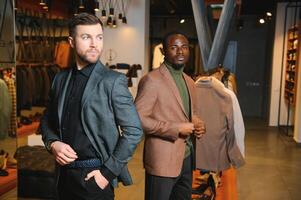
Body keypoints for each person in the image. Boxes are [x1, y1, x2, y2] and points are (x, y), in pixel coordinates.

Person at [40, 13, 143, 200]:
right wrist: (52, 143)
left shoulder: (113, 82)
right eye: (86, 37)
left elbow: (134, 131)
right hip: (62, 177)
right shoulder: (60, 79)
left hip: (94, 178)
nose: (95, 43)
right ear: (71, 41)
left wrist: (107, 174)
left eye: (99, 37)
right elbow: (47, 119)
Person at [135, 32, 206, 200]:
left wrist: (197, 123)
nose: (180, 52)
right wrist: (175, 128)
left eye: (184, 47)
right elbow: (137, 118)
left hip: (187, 157)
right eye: (174, 47)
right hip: (162, 161)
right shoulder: (152, 80)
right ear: (164, 52)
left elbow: (189, 113)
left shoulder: (189, 81)